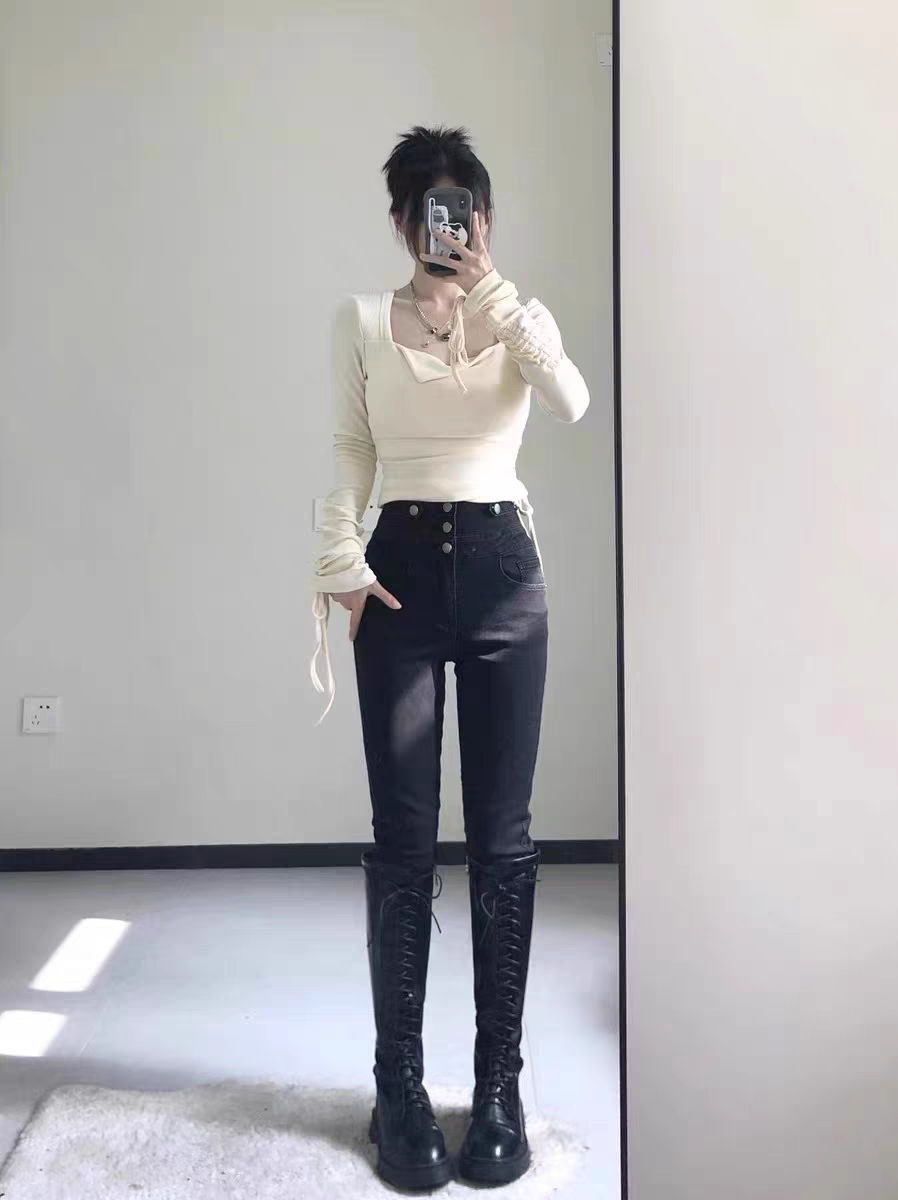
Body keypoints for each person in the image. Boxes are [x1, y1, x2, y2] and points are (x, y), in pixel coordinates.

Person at [309, 125, 589, 1189]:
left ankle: (499, 1087)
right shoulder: (360, 320)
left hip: (506, 573)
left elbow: (571, 401)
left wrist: (497, 297)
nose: (450, 229)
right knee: (405, 841)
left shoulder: (519, 316)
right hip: (400, 578)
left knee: (505, 843)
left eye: (465, 211)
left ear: (484, 218)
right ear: (400, 222)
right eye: (430, 211)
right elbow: (352, 447)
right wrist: (337, 556)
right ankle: (400, 1086)